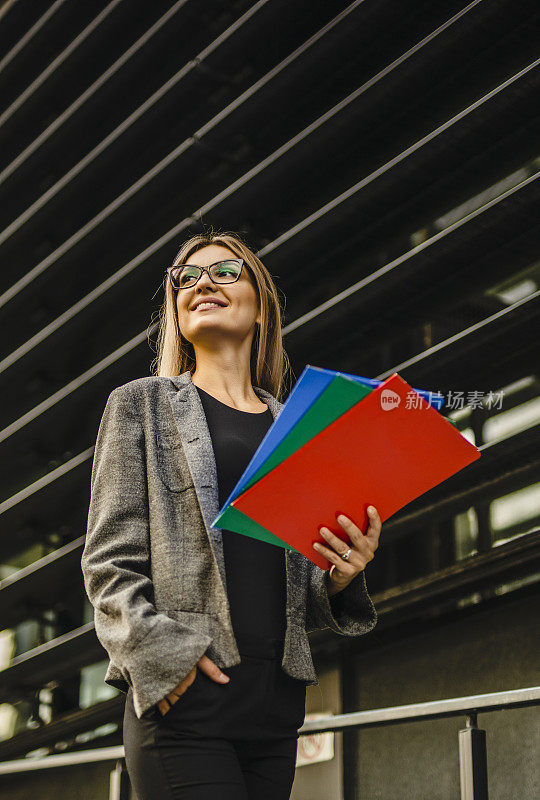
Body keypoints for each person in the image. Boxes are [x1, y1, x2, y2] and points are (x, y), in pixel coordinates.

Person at [81, 229, 382, 800]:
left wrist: (342, 575)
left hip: (275, 711)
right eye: (186, 278)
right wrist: (165, 660)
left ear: (261, 307)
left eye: (224, 273)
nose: (202, 285)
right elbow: (107, 563)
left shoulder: (297, 430)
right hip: (186, 700)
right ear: (175, 307)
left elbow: (298, 580)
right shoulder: (139, 406)